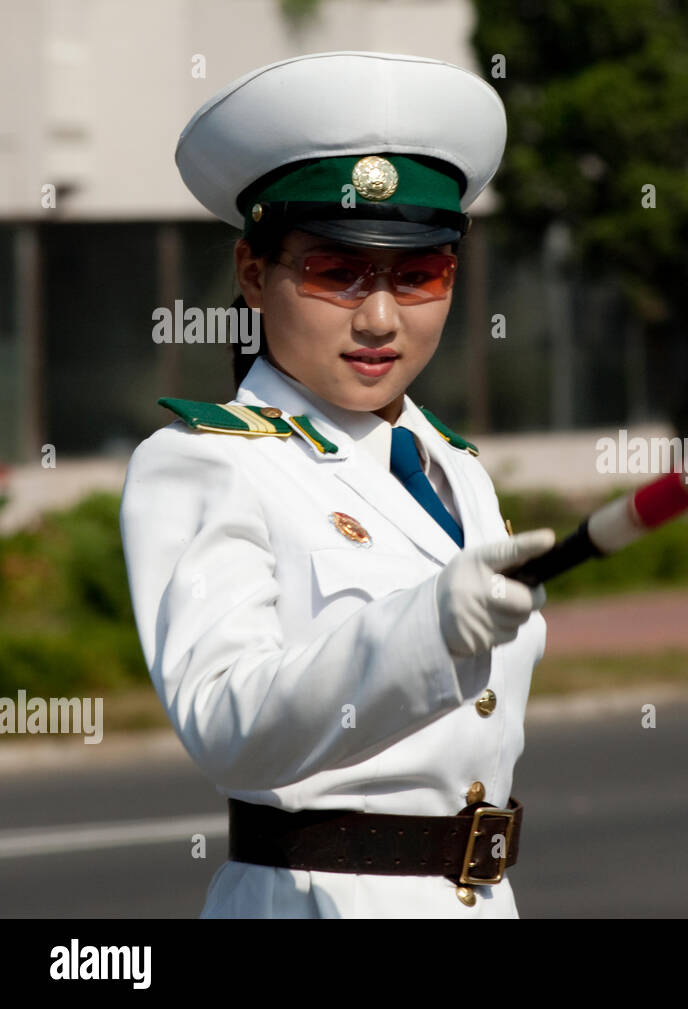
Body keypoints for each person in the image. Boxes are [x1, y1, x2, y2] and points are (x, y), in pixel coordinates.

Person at [118, 51, 554, 918]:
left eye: (417, 273)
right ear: (252, 272)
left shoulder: (455, 468)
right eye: (335, 271)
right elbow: (227, 723)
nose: (380, 318)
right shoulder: (212, 461)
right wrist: (425, 626)